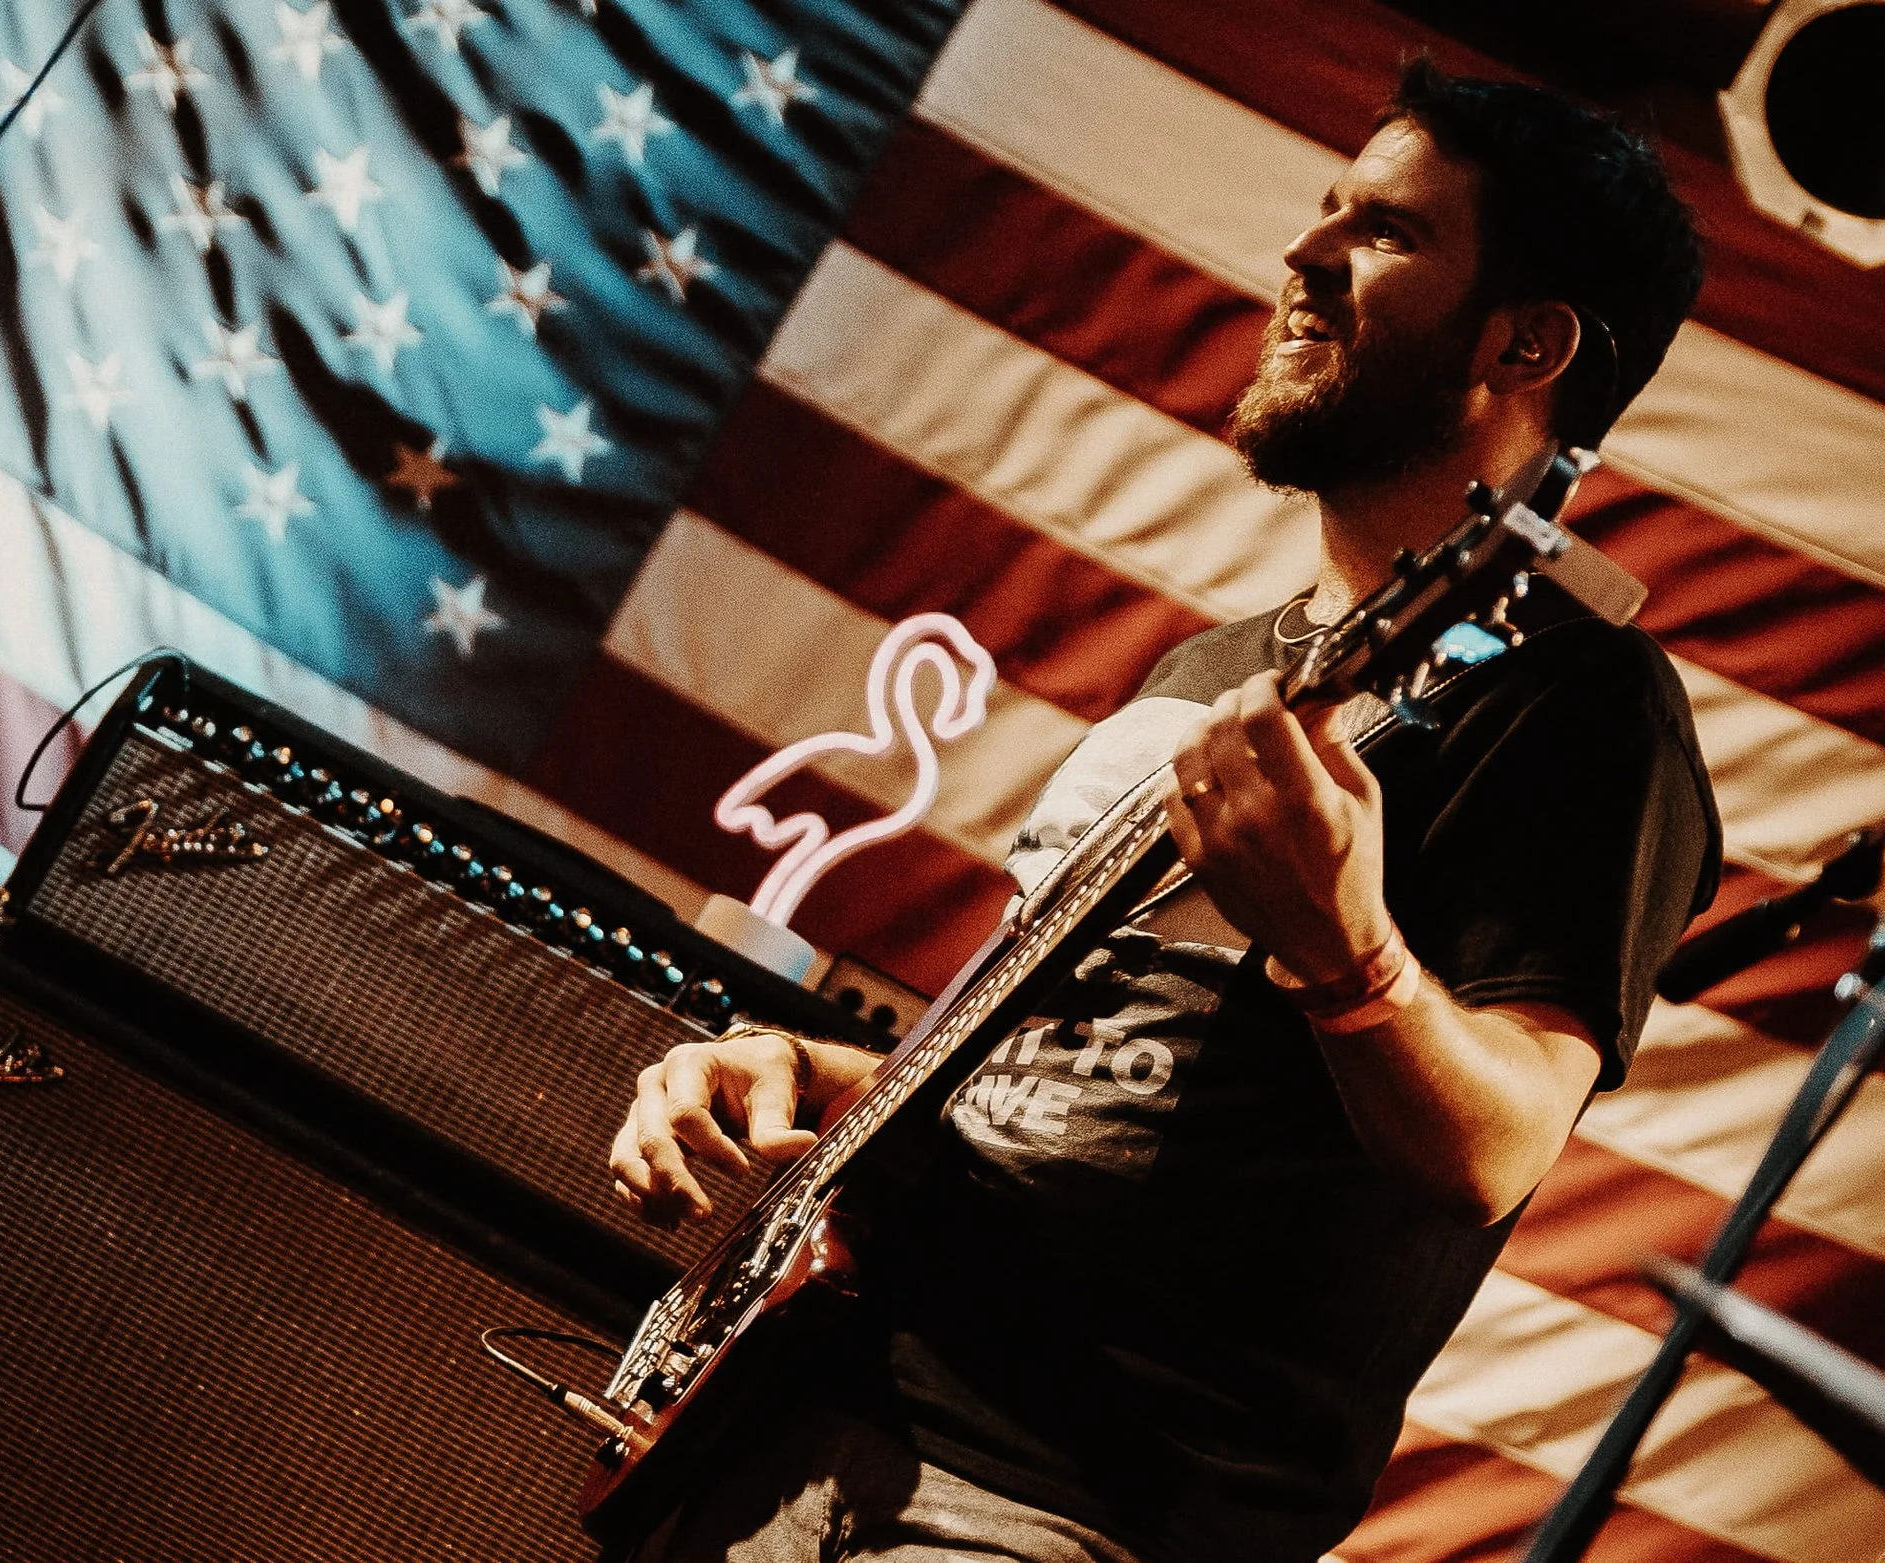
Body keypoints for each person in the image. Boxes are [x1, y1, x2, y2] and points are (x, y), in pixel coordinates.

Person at [605, 59, 1722, 1563]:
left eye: (1383, 233)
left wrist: (1352, 952)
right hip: (811, 1394)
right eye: (1324, 211)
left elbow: (1501, 1144)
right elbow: (1057, 1069)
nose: (1302, 256)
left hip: (1056, 1501)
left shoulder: (1579, 704)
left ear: (1529, 340)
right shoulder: (1211, 670)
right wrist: (801, 1062)